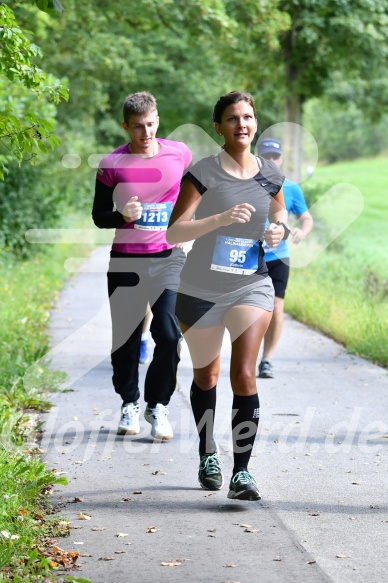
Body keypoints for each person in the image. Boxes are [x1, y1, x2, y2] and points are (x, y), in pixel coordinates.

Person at [167, 91, 288, 500]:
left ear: (256, 122)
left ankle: (242, 472)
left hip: (251, 284)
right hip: (201, 287)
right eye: (233, 118)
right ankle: (207, 453)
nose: (242, 124)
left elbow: (279, 214)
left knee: (244, 374)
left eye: (249, 117)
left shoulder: (270, 174)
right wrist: (217, 218)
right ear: (218, 127)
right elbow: (175, 231)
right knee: (207, 376)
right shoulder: (203, 172)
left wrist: (279, 231)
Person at [92, 91, 192, 439]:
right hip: (126, 262)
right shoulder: (111, 164)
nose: (145, 133)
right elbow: (98, 216)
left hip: (169, 259)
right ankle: (129, 403)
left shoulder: (179, 153)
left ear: (158, 120)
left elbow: (193, 196)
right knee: (126, 340)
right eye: (138, 127)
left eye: (150, 124)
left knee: (168, 332)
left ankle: (157, 405)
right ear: (126, 126)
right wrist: (121, 215)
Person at [255, 138, 313, 379]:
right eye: (266, 156)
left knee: (277, 309)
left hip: (279, 256)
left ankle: (266, 360)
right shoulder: (246, 185)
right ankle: (247, 355)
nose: (271, 160)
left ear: (281, 159)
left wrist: (302, 230)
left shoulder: (291, 188)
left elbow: (306, 218)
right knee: (252, 311)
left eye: (275, 156)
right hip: (251, 255)